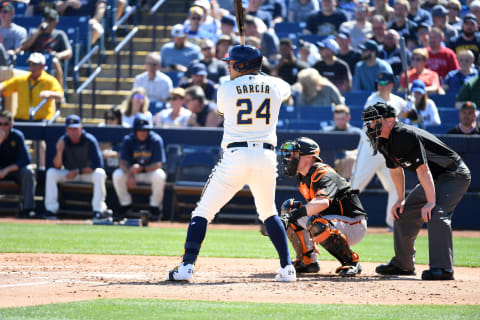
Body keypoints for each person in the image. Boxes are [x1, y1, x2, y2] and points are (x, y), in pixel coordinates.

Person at [168, 44, 296, 282]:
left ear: (242, 65)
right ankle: (287, 268)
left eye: (232, 63)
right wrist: (260, 76)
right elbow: (285, 89)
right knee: (269, 212)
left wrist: (252, 78)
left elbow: (224, 111)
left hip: (236, 156)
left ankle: (186, 266)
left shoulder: (225, 89)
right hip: (266, 157)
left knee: (203, 212)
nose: (228, 66)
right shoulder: (276, 85)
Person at [363, 102, 471, 280]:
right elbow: (396, 170)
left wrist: (430, 202)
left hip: (454, 174)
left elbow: (423, 171)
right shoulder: (382, 140)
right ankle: (403, 264)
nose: (371, 126)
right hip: (435, 178)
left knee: (436, 213)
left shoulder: (404, 135)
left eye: (375, 121)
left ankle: (443, 269)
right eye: (370, 122)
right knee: (402, 213)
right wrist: (400, 199)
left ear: (390, 120)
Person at [278, 137, 367, 276]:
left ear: (309, 157)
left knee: (315, 224)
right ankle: (307, 261)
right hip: (333, 220)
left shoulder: (323, 173)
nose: (290, 158)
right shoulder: (302, 176)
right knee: (289, 208)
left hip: (353, 223)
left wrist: (294, 217)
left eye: (295, 154)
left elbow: (323, 202)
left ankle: (351, 262)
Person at [351, 72, 405, 230]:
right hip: (371, 148)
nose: (381, 86)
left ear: (391, 85)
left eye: (384, 83)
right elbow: (381, 122)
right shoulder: (373, 99)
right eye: (379, 83)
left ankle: (393, 222)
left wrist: (414, 104)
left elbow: (416, 116)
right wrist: (404, 112)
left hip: (388, 149)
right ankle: (336, 215)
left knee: (396, 186)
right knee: (355, 185)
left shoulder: (399, 101)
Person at [0, 52, 63, 170]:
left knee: (39, 141)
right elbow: (4, 87)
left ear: (42, 66)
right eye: (31, 64)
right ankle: (8, 165)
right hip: (21, 118)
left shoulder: (50, 80)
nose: (32, 67)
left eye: (35, 65)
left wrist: (50, 94)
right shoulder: (21, 79)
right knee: (5, 132)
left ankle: (42, 170)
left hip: (41, 118)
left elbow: (60, 96)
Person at [44, 115, 109, 220]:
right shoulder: (63, 140)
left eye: (75, 129)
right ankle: (51, 209)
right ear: (66, 129)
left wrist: (78, 171)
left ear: (81, 128)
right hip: (69, 174)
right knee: (51, 173)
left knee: (100, 173)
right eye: (70, 129)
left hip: (86, 174)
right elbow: (57, 165)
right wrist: (59, 151)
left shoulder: (89, 140)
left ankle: (98, 210)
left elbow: (97, 165)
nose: (73, 132)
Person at [112, 113, 167, 220]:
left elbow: (158, 164)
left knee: (159, 175)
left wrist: (142, 168)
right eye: (140, 130)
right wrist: (130, 174)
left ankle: (154, 207)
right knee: (117, 174)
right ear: (135, 130)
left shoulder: (155, 139)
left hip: (148, 172)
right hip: (132, 172)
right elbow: (122, 161)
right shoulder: (128, 139)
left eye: (145, 130)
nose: (143, 132)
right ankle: (125, 204)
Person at [21, 8, 72, 87]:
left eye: (50, 20)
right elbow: (23, 47)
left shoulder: (60, 34)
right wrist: (38, 33)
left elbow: (69, 52)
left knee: (55, 61)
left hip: (49, 60)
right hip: (34, 59)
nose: (47, 22)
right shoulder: (34, 32)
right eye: (45, 19)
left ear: (55, 22)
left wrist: (58, 55)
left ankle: (59, 92)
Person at [0, 110, 36, 218]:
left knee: (28, 171)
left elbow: (26, 160)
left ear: (11, 124)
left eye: (5, 124)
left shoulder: (17, 136)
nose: (2, 127)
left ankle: (28, 209)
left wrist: (6, 170)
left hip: (14, 171)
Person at [323, 104, 362, 179]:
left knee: (351, 159)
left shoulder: (357, 133)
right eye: (337, 119)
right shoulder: (326, 132)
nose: (339, 121)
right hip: (330, 164)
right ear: (333, 118)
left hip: (349, 164)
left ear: (348, 118)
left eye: (342, 119)